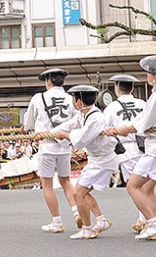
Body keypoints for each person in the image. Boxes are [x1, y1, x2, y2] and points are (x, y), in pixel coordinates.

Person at [105, 55, 156, 242]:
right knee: (147, 190)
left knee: (133, 186)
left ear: (153, 75)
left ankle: (152, 223)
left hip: (155, 148)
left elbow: (142, 124)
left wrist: (121, 129)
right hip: (155, 148)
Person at [51, 84, 118, 240]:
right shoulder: (84, 114)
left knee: (77, 193)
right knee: (83, 192)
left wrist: (63, 135)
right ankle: (100, 220)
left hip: (103, 160)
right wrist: (50, 133)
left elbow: (80, 140)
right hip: (97, 159)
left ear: (79, 102)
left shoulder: (96, 118)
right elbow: (70, 125)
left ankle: (87, 228)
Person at [23, 67, 79, 233]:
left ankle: (57, 221)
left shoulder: (39, 98)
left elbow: (29, 124)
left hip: (47, 145)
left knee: (47, 184)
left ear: (48, 81)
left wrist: (25, 128)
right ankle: (76, 211)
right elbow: (77, 121)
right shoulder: (71, 99)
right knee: (65, 180)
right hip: (64, 146)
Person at [103, 73, 147, 232]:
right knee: (145, 186)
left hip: (127, 149)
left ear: (116, 89)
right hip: (146, 146)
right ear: (133, 88)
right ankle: (144, 218)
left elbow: (104, 130)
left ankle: (146, 219)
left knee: (134, 186)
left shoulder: (111, 108)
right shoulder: (143, 103)